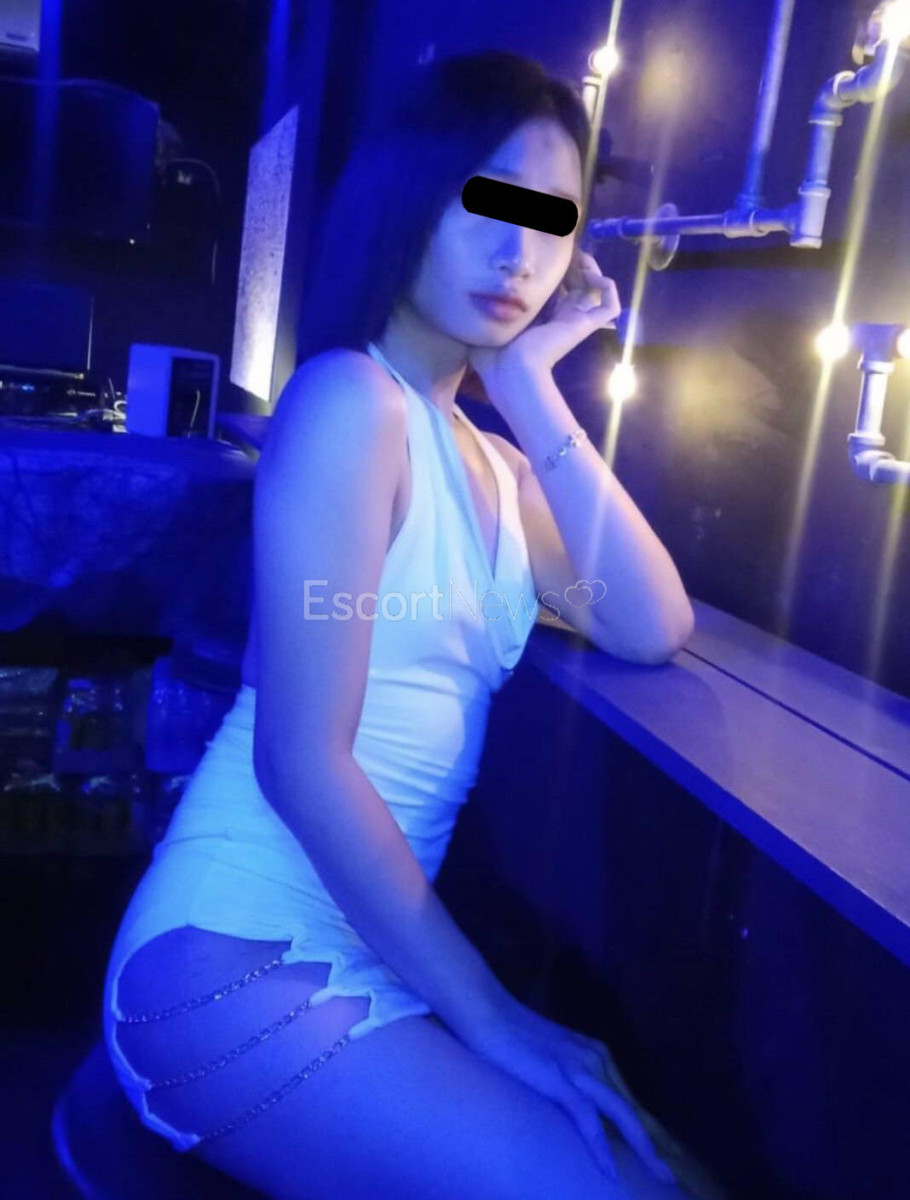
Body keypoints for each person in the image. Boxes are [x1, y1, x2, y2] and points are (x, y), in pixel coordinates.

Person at [101, 48, 713, 1200]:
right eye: (489, 200)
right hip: (233, 958)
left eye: (552, 221)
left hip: (379, 953)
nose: (519, 252)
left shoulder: (490, 461)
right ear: (410, 191)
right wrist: (494, 1016)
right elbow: (299, 760)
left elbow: (647, 619)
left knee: (666, 1173)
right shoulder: (349, 401)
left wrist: (528, 384)